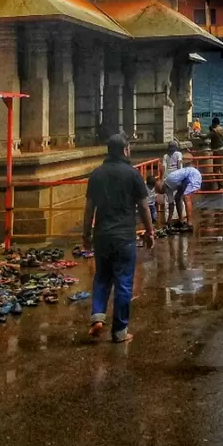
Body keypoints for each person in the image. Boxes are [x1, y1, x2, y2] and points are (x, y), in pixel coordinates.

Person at [82, 132, 155, 344]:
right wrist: (150, 232)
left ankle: (97, 316)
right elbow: (143, 206)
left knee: (102, 277)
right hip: (125, 237)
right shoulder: (133, 175)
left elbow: (89, 209)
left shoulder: (96, 174)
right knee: (123, 282)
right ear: (125, 150)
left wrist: (85, 234)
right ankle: (120, 331)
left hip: (102, 236)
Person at [162, 162, 203, 232]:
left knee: (186, 197)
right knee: (177, 197)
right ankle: (181, 220)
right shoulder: (170, 181)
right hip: (186, 179)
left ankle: (189, 224)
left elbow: (171, 204)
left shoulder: (169, 180)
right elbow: (171, 202)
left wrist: (168, 220)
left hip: (193, 176)